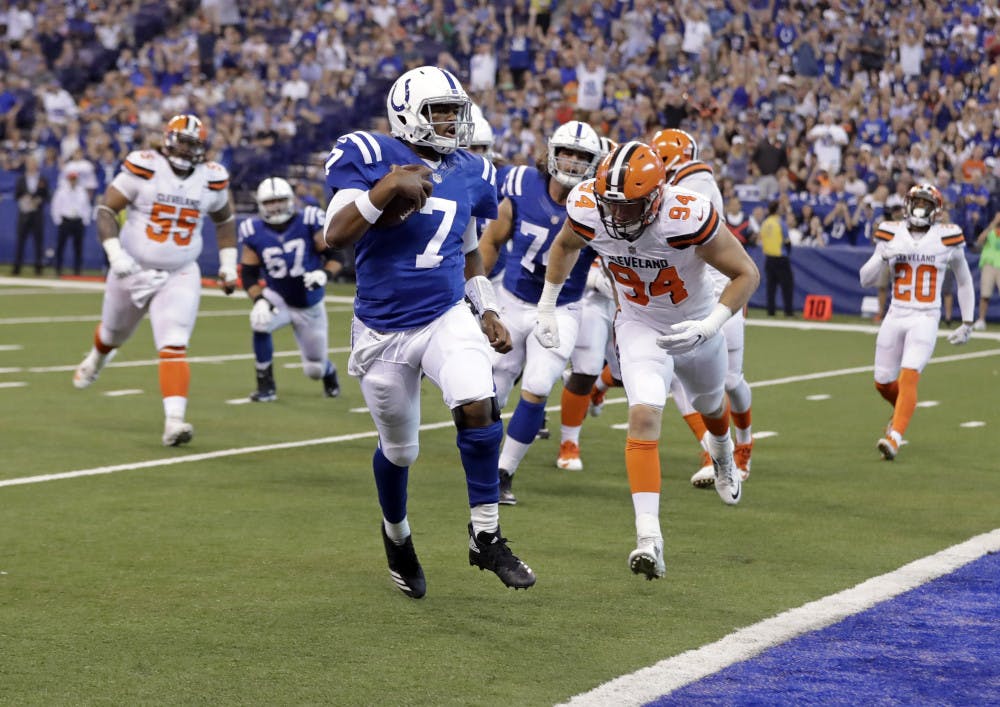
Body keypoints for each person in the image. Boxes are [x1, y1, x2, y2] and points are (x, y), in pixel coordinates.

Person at [323, 66, 535, 598]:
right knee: (400, 451)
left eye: (453, 111)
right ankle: (396, 533)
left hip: (444, 313)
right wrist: (388, 185)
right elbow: (335, 235)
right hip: (383, 327)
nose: (449, 121)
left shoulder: (471, 171)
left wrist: (485, 309)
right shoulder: (369, 153)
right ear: (407, 113)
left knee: (478, 400)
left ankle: (485, 535)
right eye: (438, 111)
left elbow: (466, 247)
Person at [535, 141, 759, 579]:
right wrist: (547, 304)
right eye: (611, 204)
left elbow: (746, 272)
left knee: (713, 407)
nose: (617, 216)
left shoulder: (685, 214)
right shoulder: (588, 205)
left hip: (694, 322)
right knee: (642, 417)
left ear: (657, 195)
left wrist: (711, 324)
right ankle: (649, 539)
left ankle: (724, 455)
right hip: (638, 324)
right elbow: (564, 246)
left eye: (629, 206)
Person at [72, 114, 239, 446]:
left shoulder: (212, 178)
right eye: (185, 141)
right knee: (113, 332)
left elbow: (225, 220)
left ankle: (174, 422)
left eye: (195, 144)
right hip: (132, 268)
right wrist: (115, 253)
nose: (189, 149)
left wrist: (228, 264)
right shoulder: (144, 166)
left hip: (180, 271)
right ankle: (97, 357)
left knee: (174, 343)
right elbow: (106, 210)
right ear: (168, 139)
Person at [478, 119, 603, 502]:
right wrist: (479, 295)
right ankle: (482, 461)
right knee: (487, 394)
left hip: (562, 309)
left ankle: (504, 473)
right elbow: (492, 240)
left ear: (595, 162)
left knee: (537, 385)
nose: (571, 161)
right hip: (512, 301)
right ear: (551, 152)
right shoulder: (518, 184)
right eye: (566, 152)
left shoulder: (599, 203)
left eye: (582, 156)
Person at [651, 128, 756, 486]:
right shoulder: (676, 185)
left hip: (718, 296)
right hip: (687, 300)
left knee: (730, 380)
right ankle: (714, 451)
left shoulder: (695, 180)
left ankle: (743, 445)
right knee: (681, 380)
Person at [859, 184, 975, 461]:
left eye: (926, 204)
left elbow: (964, 279)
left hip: (925, 315)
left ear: (936, 210)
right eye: (917, 202)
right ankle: (902, 410)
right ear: (907, 204)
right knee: (883, 383)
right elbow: (865, 278)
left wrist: (968, 321)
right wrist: (883, 256)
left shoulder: (947, 237)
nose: (920, 209)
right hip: (896, 313)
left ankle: (894, 437)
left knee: (909, 376)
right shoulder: (890, 232)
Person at [238, 177, 342, 402]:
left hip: (309, 302)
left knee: (313, 369)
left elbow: (336, 256)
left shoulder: (310, 220)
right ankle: (265, 386)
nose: (275, 206)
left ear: (290, 201)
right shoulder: (252, 229)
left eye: (280, 200)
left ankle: (328, 371)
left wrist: (324, 274)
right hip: (278, 295)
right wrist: (259, 300)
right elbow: (248, 273)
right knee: (259, 321)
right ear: (260, 204)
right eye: (270, 202)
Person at [556, 135, 619, 472]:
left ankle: (595, 393)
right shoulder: (581, 198)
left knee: (615, 372)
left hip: (611, 297)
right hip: (578, 293)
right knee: (581, 366)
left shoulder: (625, 199)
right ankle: (568, 439)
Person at [12, 156, 50, 276]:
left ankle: (38, 269)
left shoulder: (42, 179)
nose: (31, 165)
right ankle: (17, 268)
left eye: (33, 163)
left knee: (38, 242)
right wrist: (24, 199)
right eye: (29, 163)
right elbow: (16, 195)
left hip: (37, 214)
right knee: (20, 241)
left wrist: (38, 200)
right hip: (24, 213)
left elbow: (47, 196)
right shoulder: (21, 179)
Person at [51, 170, 92, 276]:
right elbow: (55, 206)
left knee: (78, 247)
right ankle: (58, 269)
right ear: (68, 179)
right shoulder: (61, 191)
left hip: (78, 221)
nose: (73, 181)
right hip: (65, 220)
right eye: (71, 179)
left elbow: (87, 206)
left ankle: (77, 270)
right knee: (61, 246)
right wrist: (58, 220)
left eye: (75, 179)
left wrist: (85, 220)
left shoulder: (82, 191)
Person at [760, 200, 794, 316]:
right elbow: (787, 241)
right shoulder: (780, 223)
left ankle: (771, 311)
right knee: (787, 285)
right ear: (777, 209)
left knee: (771, 287)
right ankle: (788, 311)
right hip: (780, 257)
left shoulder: (765, 223)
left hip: (769, 258)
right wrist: (788, 253)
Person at [973, 211, 1000, 330]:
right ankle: (981, 320)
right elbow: (980, 240)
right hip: (989, 265)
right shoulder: (991, 230)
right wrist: (994, 223)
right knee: (985, 294)